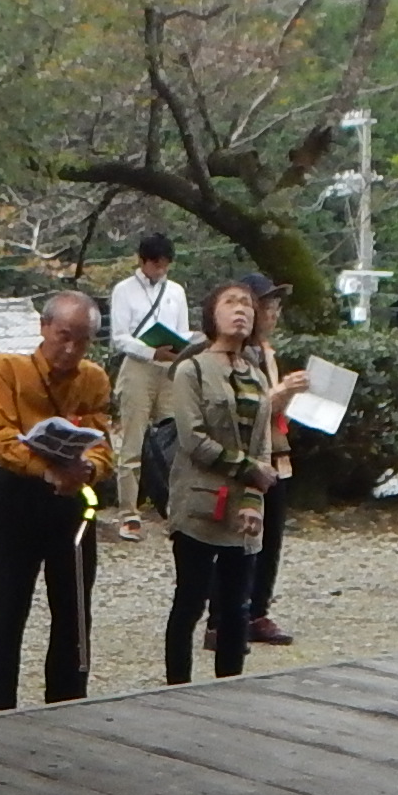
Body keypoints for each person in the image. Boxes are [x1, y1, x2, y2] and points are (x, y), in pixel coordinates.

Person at [0, 290, 111, 710]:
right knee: (7, 608)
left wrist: (88, 470)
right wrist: (44, 468)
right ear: (44, 328)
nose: (70, 350)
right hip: (16, 494)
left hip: (70, 497)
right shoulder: (7, 369)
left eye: (82, 340)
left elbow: (103, 443)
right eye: (63, 336)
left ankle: (67, 700)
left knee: (73, 608)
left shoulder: (94, 379)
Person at [161, 281, 300, 683]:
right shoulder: (192, 369)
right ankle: (176, 686)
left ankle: (230, 685)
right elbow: (194, 439)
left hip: (242, 507)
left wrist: (255, 501)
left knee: (238, 605)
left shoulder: (255, 375)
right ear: (212, 314)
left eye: (247, 305)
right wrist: (247, 469)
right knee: (190, 599)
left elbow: (261, 443)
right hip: (199, 502)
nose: (241, 310)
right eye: (230, 303)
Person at [105, 232, 188, 540]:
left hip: (169, 367)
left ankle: (174, 509)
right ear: (143, 261)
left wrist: (178, 349)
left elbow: (181, 330)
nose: (161, 271)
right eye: (156, 264)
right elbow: (120, 336)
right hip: (139, 366)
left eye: (165, 265)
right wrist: (151, 350)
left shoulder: (176, 291)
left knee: (172, 441)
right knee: (133, 441)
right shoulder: (124, 290)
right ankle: (129, 512)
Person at [243, 276, 297, 648]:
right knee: (247, 537)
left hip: (278, 451)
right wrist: (280, 395)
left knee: (272, 535)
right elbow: (250, 409)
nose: (273, 313)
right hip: (250, 456)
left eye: (276, 306)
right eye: (268, 305)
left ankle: (259, 608)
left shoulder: (267, 351)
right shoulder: (237, 355)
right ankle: (238, 610)